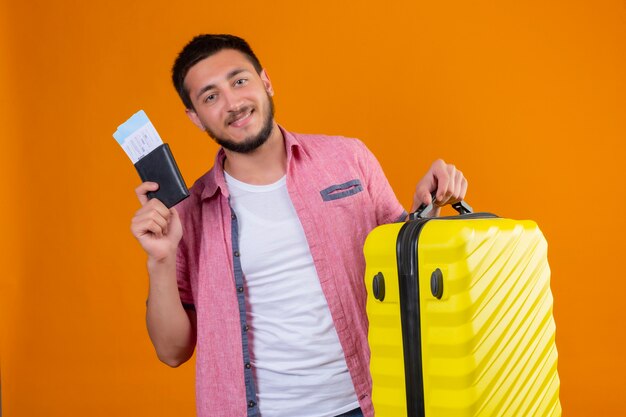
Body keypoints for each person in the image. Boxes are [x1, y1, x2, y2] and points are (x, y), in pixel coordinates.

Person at [130, 34, 467, 417]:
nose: (233, 103)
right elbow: (172, 352)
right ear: (194, 117)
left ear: (265, 81)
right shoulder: (188, 212)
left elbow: (405, 270)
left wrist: (429, 207)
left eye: (239, 81)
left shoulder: (348, 159)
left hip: (372, 401)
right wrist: (160, 258)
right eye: (210, 97)